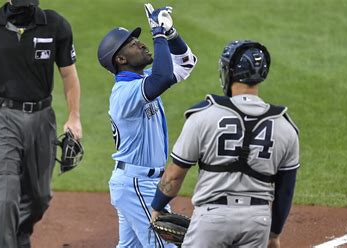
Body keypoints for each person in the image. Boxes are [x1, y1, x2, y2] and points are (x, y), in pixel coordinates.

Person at [0, 0, 82, 247]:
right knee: (5, 194)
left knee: (39, 198)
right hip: (3, 118)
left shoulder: (55, 25)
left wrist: (74, 117)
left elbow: (68, 73)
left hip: (43, 119)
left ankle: (18, 236)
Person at [150, 40, 300, 248]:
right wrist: (274, 234)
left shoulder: (203, 116)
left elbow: (174, 174)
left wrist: (157, 207)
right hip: (257, 221)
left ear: (229, 71)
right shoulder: (285, 127)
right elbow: (285, 191)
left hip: (213, 219)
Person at [97, 3, 197, 248]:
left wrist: (170, 33)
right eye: (132, 44)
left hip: (138, 182)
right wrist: (157, 33)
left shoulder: (142, 82)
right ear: (120, 59)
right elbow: (162, 78)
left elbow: (186, 64)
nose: (141, 44)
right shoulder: (126, 92)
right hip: (137, 184)